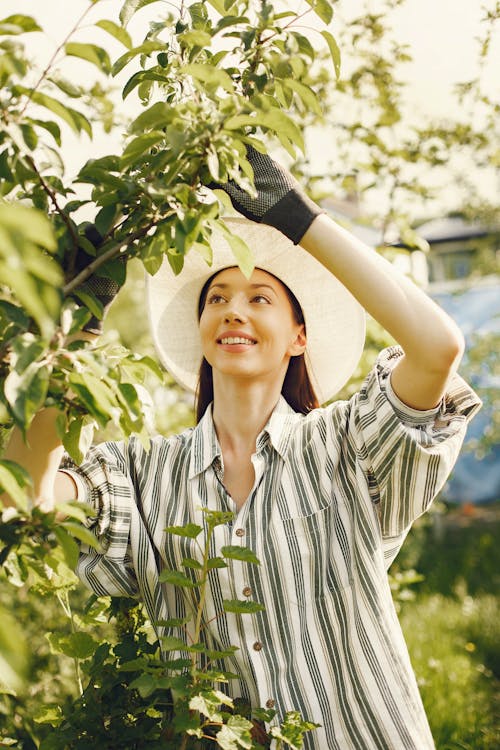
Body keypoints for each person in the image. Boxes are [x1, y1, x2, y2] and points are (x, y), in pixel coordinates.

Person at [3, 148, 481, 749]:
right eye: (217, 297)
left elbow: (437, 348)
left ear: (298, 336)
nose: (233, 309)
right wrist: (65, 333)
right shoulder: (143, 474)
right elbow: (26, 492)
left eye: (260, 298)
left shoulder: (346, 446)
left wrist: (298, 218)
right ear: (203, 331)